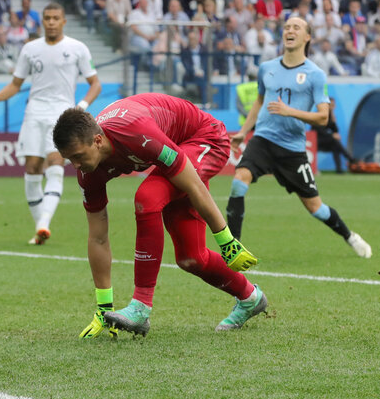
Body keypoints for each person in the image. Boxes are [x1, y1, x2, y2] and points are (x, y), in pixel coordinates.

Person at [52, 93, 263, 339]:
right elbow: (98, 237)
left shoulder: (134, 132)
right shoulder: (88, 173)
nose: (75, 165)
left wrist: (225, 239)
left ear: (97, 140)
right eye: (69, 160)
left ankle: (140, 307)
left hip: (205, 137)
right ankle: (251, 297)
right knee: (191, 258)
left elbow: (194, 185)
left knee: (147, 197)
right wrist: (104, 309)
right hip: (174, 153)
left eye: (78, 156)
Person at [226, 17, 372, 259]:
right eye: (286, 27)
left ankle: (349, 236)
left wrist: (290, 111)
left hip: (292, 149)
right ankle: (232, 251)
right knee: (239, 181)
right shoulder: (267, 68)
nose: (289, 30)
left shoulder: (315, 75)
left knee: (316, 208)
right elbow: (260, 101)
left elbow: (323, 118)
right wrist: (244, 132)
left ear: (307, 37)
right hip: (263, 139)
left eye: (296, 27)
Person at [0, 3, 101, 245]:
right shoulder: (30, 49)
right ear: (42, 21)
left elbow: (95, 83)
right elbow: (15, 84)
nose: (52, 22)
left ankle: (44, 223)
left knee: (55, 162)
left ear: (64, 21)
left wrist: (82, 107)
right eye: (47, 18)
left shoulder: (77, 48)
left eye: (56, 18)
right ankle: (40, 228)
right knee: (33, 168)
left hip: (62, 114)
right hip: (34, 112)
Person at [312, 98, 354, 174]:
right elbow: (319, 131)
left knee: (335, 146)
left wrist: (334, 121)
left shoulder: (331, 116)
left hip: (326, 140)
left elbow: (335, 131)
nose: (332, 107)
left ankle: (339, 170)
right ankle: (350, 158)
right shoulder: (319, 114)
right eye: (330, 105)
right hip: (316, 141)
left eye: (333, 105)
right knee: (334, 140)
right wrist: (332, 135)